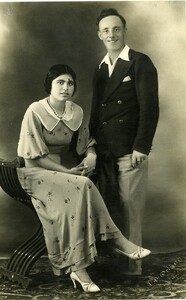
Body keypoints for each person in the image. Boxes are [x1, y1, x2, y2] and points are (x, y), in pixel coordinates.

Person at [17, 64, 151, 293]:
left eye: (70, 83)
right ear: (50, 84)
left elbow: (87, 144)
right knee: (83, 184)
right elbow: (33, 160)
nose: (66, 87)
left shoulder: (75, 112)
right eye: (60, 82)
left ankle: (79, 270)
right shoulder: (35, 110)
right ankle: (118, 241)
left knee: (80, 189)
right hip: (36, 174)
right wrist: (67, 172)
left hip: (64, 176)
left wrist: (91, 156)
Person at [89, 8, 159, 276]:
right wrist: (91, 147)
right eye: (106, 30)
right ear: (99, 35)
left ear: (124, 31)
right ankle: (116, 265)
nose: (111, 34)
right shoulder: (100, 69)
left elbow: (150, 108)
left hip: (131, 151)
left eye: (116, 29)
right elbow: (95, 112)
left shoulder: (140, 62)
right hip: (105, 152)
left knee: (130, 209)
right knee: (110, 207)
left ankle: (133, 269)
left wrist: (142, 146)